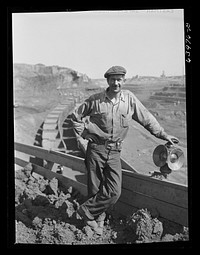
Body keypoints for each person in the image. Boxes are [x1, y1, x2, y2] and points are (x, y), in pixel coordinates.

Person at [70, 66, 179, 235]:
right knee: (95, 189)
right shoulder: (95, 100)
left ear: (124, 81)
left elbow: (147, 118)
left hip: (114, 153)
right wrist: (84, 133)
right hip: (96, 150)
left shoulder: (129, 99)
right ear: (107, 81)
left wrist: (164, 135)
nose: (116, 83)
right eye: (113, 79)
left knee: (114, 191)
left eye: (119, 79)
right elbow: (75, 116)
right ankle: (95, 222)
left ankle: (84, 212)